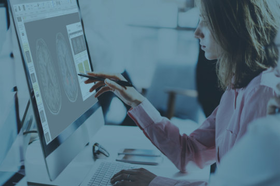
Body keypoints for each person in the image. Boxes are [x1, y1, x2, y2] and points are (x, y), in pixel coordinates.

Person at [85, 0, 280, 185]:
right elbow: (189, 154)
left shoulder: (263, 92)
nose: (196, 32)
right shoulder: (237, 88)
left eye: (205, 20)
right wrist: (137, 100)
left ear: (232, 25)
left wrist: (156, 183)